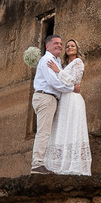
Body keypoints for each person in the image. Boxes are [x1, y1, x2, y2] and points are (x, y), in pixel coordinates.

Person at [30, 34, 78, 174]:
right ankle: (37, 164)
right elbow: (53, 82)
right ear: (47, 46)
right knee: (44, 132)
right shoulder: (47, 59)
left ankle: (44, 162)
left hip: (50, 98)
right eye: (56, 43)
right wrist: (72, 88)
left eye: (60, 43)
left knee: (48, 132)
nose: (59, 45)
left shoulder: (56, 61)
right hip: (46, 97)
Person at [43, 39, 92, 175]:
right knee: (62, 128)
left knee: (73, 127)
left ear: (77, 48)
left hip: (73, 100)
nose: (69, 48)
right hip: (64, 99)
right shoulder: (64, 65)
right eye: (67, 46)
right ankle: (58, 163)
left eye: (72, 46)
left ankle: (72, 164)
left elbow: (73, 80)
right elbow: (62, 82)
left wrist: (58, 71)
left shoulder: (78, 62)